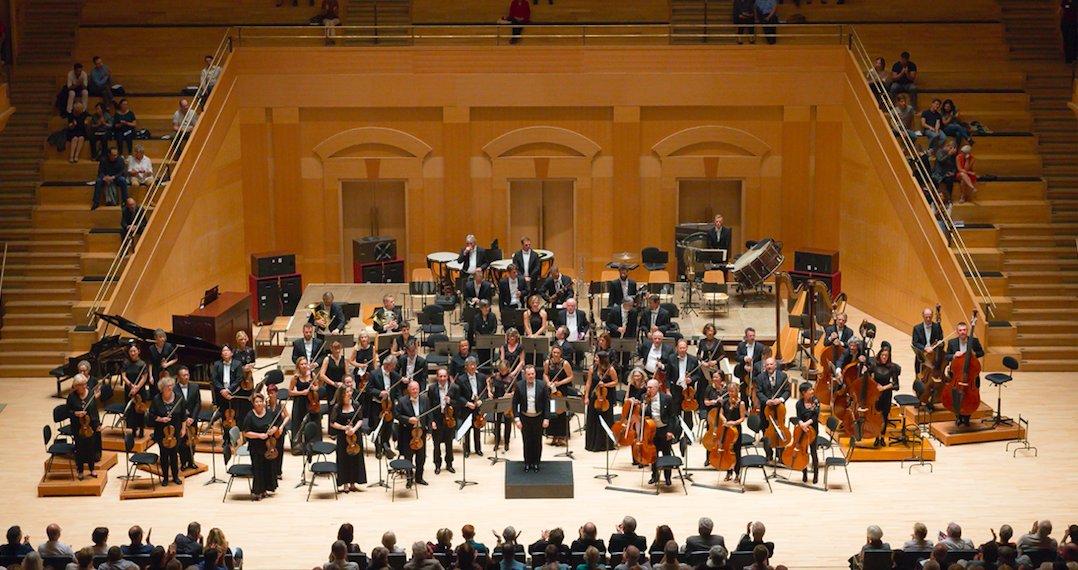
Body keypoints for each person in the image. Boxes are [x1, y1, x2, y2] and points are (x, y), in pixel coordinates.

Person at [944, 321, 985, 426]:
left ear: (967, 331)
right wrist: (953, 355)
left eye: (964, 330)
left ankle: (967, 417)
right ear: (957, 331)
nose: (963, 332)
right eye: (960, 330)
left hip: (971, 375)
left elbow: (982, 352)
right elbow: (946, 356)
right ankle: (958, 416)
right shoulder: (952, 342)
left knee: (969, 397)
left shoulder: (974, 341)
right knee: (955, 396)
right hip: (957, 375)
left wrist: (974, 354)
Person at [149, 376, 187, 485]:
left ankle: (175, 477)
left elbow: (183, 415)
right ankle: (165, 478)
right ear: (162, 388)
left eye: (171, 386)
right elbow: (151, 415)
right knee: (164, 456)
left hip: (175, 431)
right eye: (167, 386)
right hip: (162, 433)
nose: (170, 388)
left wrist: (183, 429)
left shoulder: (179, 398)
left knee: (174, 455)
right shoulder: (157, 400)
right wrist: (161, 419)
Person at [241, 393, 279, 500]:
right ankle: (258, 491)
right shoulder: (249, 415)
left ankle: (265, 489)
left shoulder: (268, 413)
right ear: (253, 403)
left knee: (267, 467)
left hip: (268, 445)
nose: (258, 404)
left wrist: (273, 430)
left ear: (263, 402)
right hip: (256, 446)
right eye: (256, 402)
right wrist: (259, 436)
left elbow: (275, 425)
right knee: (258, 469)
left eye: (260, 401)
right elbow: (246, 432)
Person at [513, 365, 550, 472]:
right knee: (527, 441)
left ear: (535, 374)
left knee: (537, 441)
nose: (531, 376)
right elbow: (515, 403)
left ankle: (536, 463)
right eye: (528, 374)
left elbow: (546, 403)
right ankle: (528, 463)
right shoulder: (519, 385)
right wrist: (516, 419)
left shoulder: (542, 385)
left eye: (532, 374)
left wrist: (546, 418)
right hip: (525, 417)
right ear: (525, 375)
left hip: (538, 417)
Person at [65, 374, 101, 480]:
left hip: (90, 426)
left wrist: (98, 424)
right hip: (77, 426)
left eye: (85, 384)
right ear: (76, 386)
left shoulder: (90, 394)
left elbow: (95, 410)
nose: (84, 386)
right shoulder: (71, 396)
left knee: (91, 447)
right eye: (81, 385)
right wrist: (76, 414)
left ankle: (92, 469)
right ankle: (80, 471)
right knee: (79, 448)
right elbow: (67, 411)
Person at [330, 386, 366, 491]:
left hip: (355, 436)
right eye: (347, 392)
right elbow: (332, 422)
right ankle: (345, 483)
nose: (350, 393)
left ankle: (353, 482)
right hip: (343, 437)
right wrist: (343, 428)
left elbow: (360, 419)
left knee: (356, 458)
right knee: (343, 459)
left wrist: (354, 429)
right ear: (342, 394)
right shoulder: (337, 407)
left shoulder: (356, 404)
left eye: (350, 391)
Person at [397, 380, 432, 487]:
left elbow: (429, 416)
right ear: (408, 390)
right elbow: (397, 415)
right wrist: (408, 419)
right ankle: (409, 478)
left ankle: (419, 477)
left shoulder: (425, 400)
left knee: (421, 457)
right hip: (408, 433)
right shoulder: (402, 401)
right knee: (408, 456)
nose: (415, 391)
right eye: (413, 389)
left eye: (417, 388)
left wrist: (429, 431)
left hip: (421, 433)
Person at [753, 358, 790, 459]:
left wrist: (781, 399)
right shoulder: (760, 377)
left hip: (780, 409)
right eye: (767, 365)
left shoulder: (783, 376)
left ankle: (780, 454)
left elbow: (787, 391)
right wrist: (766, 401)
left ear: (775, 365)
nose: (769, 367)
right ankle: (768, 454)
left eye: (771, 364)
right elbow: (758, 392)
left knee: (780, 430)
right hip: (766, 410)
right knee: (766, 432)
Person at [666, 338, 703, 435]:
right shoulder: (671, 358)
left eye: (684, 348)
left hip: (688, 390)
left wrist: (691, 379)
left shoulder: (693, 359)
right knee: (676, 413)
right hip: (676, 389)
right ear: (677, 348)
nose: (682, 350)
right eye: (680, 348)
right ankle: (676, 435)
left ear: (687, 348)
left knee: (688, 414)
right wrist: (668, 390)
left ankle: (688, 435)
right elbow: (667, 376)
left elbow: (698, 375)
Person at [426, 368, 460, 475]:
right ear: (437, 377)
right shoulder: (432, 389)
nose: (442, 378)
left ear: (447, 376)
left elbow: (459, 404)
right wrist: (431, 421)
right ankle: (437, 465)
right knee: (436, 444)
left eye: (444, 376)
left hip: (449, 419)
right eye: (440, 376)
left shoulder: (454, 388)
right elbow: (429, 406)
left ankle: (449, 464)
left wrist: (451, 402)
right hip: (438, 419)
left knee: (449, 444)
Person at [368, 356, 403, 456]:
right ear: (386, 365)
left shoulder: (395, 375)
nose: (393, 368)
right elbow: (369, 389)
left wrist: (400, 401)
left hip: (390, 406)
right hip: (377, 406)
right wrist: (380, 393)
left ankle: (386, 445)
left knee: (388, 427)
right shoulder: (374, 374)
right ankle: (378, 449)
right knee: (378, 427)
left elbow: (397, 392)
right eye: (392, 366)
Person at [584, 351, 618, 453]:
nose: (595, 360)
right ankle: (592, 444)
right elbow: (588, 383)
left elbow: (615, 382)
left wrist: (605, 385)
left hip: (606, 397)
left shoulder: (610, 369)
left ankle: (604, 444)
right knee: (592, 419)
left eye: (597, 358)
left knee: (605, 419)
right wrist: (586, 397)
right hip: (594, 397)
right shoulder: (592, 368)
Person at [543, 345, 575, 446]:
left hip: (561, 389)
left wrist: (560, 383)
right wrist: (548, 382)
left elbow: (570, 376)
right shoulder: (547, 362)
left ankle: (561, 436)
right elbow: (545, 374)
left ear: (560, 353)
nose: (555, 354)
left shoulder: (565, 363)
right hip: (551, 389)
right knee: (552, 411)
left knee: (561, 413)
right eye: (554, 352)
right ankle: (553, 435)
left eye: (557, 353)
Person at [457, 356, 487, 457]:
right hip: (467, 406)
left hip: (478, 406)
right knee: (467, 429)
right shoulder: (461, 379)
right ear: (466, 367)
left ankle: (478, 448)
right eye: (471, 365)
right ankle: (467, 450)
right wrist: (466, 403)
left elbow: (484, 392)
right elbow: (458, 396)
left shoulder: (481, 377)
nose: (473, 367)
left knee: (477, 427)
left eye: (474, 364)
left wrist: (481, 401)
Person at [212, 344, 246, 433]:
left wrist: (228, 390)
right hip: (221, 395)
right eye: (223, 351)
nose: (225, 352)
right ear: (221, 354)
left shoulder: (237, 364)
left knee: (235, 415)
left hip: (234, 393)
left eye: (227, 350)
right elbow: (214, 380)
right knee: (224, 416)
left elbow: (239, 379)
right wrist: (223, 391)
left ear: (231, 353)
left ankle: (235, 437)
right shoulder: (217, 364)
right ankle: (226, 438)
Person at [869, 347, 899, 447]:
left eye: (886, 356)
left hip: (886, 394)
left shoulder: (892, 367)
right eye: (883, 355)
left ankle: (882, 437)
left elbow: (896, 384)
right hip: (876, 394)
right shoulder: (874, 366)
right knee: (876, 416)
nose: (884, 357)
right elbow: (867, 377)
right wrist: (875, 385)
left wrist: (885, 387)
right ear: (879, 355)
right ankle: (876, 437)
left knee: (884, 416)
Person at [718, 382, 746, 482]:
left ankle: (737, 473)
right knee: (726, 450)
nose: (730, 393)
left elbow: (742, 418)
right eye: (729, 391)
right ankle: (728, 472)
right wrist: (725, 421)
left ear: (737, 391)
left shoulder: (740, 403)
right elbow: (721, 414)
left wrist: (733, 422)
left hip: (735, 430)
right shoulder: (725, 402)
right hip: (726, 427)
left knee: (736, 451)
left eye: (732, 391)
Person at [793, 382, 820, 483]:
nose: (812, 391)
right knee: (803, 451)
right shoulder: (799, 404)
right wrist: (801, 424)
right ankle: (804, 472)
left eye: (812, 389)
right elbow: (798, 417)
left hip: (813, 429)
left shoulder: (816, 401)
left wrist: (806, 424)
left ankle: (816, 475)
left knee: (813, 452)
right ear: (804, 393)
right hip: (802, 430)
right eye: (810, 390)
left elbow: (815, 416)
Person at [121, 343, 149, 438]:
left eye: (134, 351)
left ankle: (141, 429)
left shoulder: (142, 364)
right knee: (131, 410)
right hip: (129, 388)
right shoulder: (125, 363)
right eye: (131, 351)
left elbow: (144, 377)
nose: (132, 353)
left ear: (138, 351)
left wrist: (137, 387)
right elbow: (123, 376)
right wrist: (130, 385)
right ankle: (133, 429)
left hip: (140, 389)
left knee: (140, 409)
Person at [490, 360, 516, 452]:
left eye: (504, 370)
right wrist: (489, 392)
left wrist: (510, 394)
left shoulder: (511, 378)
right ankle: (496, 442)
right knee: (497, 422)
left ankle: (506, 443)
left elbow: (515, 390)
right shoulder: (495, 375)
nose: (502, 371)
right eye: (500, 369)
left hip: (506, 402)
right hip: (497, 400)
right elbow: (487, 382)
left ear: (508, 369)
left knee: (507, 422)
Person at [265, 384, 289, 478]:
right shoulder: (266, 404)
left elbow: (287, 416)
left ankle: (278, 472)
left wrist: (282, 426)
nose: (271, 395)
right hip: (270, 429)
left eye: (273, 393)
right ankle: (271, 471)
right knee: (270, 449)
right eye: (269, 393)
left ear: (276, 393)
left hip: (279, 430)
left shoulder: (281, 404)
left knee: (279, 450)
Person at [320, 340, 348, 408]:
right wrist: (334, 383)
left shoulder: (344, 359)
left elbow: (347, 374)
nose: (337, 351)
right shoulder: (327, 359)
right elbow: (322, 375)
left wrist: (343, 383)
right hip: (331, 387)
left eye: (339, 348)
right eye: (335, 349)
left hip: (342, 387)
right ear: (331, 349)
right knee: (332, 408)